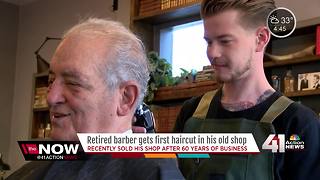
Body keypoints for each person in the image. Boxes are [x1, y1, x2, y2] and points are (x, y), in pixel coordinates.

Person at [8, 18, 184, 180]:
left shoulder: (153, 172)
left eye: (72, 83)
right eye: (51, 81)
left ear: (125, 98)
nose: (51, 98)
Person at [174, 0, 320, 180]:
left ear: (261, 39)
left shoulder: (297, 124)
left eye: (225, 41)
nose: (212, 53)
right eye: (209, 41)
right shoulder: (191, 114)